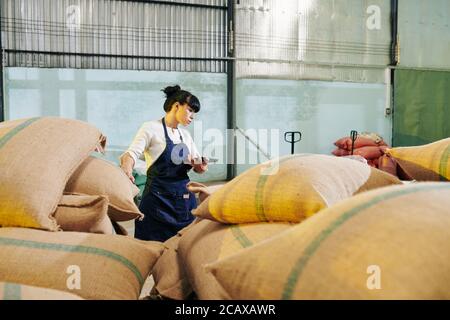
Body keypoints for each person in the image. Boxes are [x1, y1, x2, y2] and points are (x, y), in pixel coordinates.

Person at [120, 85, 208, 242]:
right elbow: (130, 154)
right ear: (176, 106)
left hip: (184, 203)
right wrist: (126, 170)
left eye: (194, 113)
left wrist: (200, 165)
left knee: (182, 247)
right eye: (190, 110)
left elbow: (199, 169)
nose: (192, 116)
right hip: (157, 202)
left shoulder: (185, 135)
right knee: (151, 250)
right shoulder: (151, 128)